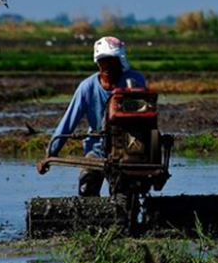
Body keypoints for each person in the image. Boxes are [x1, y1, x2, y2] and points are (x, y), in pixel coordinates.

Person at [37, 36, 146, 196]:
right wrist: (50, 154)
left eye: (112, 60)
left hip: (129, 149)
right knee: (86, 188)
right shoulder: (87, 87)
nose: (107, 65)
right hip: (97, 149)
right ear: (97, 62)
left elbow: (145, 119)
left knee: (124, 195)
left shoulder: (134, 81)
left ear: (120, 61)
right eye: (103, 60)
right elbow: (68, 121)